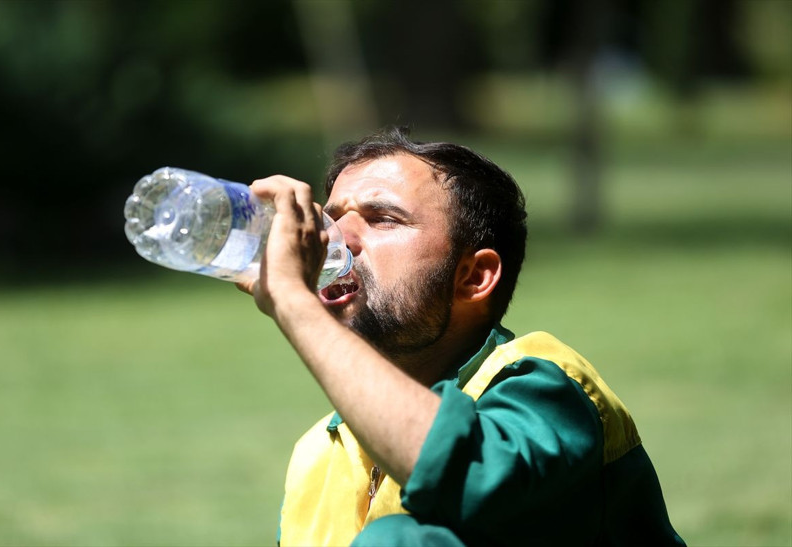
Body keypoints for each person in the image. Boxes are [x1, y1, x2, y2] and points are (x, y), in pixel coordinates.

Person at [237, 127, 684, 546]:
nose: (338, 239)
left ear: (473, 276)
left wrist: (293, 301)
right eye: (333, 219)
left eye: (383, 219)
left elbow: (471, 479)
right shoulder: (315, 453)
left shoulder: (544, 388)